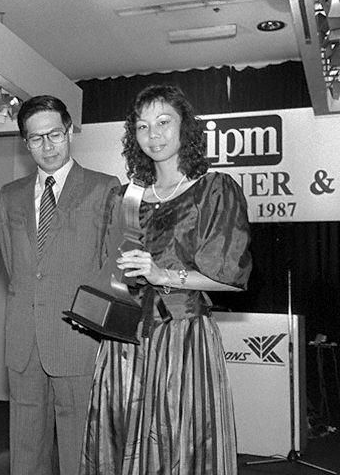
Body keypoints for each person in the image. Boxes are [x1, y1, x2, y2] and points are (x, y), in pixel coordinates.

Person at [79, 84, 252, 475]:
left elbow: (231, 279)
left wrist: (162, 275)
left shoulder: (213, 190)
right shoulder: (124, 197)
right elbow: (111, 269)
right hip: (124, 341)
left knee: (180, 442)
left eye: (163, 122)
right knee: (119, 437)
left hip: (183, 338)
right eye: (142, 126)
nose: (153, 134)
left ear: (184, 127)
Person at [0, 95, 121, 475]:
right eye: (36, 138)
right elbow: (15, 266)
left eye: (54, 134)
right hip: (24, 340)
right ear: (25, 143)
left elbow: (111, 269)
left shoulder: (104, 188)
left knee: (79, 452)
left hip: (77, 338)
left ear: (69, 132)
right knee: (25, 453)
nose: (47, 146)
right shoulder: (10, 195)